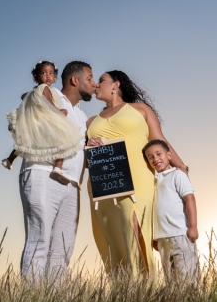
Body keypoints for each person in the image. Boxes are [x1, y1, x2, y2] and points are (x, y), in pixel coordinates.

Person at [86, 70, 188, 277]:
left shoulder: (140, 109)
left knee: (136, 229)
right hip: (103, 185)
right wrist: (88, 145)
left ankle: (147, 290)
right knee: (112, 238)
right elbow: (86, 161)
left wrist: (182, 168)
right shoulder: (90, 122)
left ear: (116, 85)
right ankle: (123, 294)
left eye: (102, 80)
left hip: (137, 180)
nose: (96, 84)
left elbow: (159, 140)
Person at [16, 61, 97, 281]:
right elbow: (27, 99)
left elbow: (77, 151)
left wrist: (94, 148)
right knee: (39, 239)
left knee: (63, 246)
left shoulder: (80, 114)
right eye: (89, 78)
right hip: (43, 172)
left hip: (72, 183)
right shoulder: (49, 95)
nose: (94, 84)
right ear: (74, 80)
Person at [2, 61, 74, 184]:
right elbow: (48, 104)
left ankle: (9, 160)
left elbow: (23, 96)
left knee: (24, 142)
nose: (48, 76)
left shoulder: (35, 90)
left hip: (35, 121)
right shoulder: (44, 88)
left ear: (55, 76)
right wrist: (59, 112)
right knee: (62, 141)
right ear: (36, 76)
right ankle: (58, 167)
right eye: (44, 73)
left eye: (51, 73)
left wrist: (30, 95)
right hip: (46, 120)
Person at [145, 139, 200, 284]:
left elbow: (190, 199)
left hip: (181, 235)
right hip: (163, 240)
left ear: (169, 155)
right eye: (150, 157)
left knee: (188, 279)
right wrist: (156, 237)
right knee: (171, 282)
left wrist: (193, 227)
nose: (155, 159)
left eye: (159, 154)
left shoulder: (177, 175)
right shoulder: (154, 181)